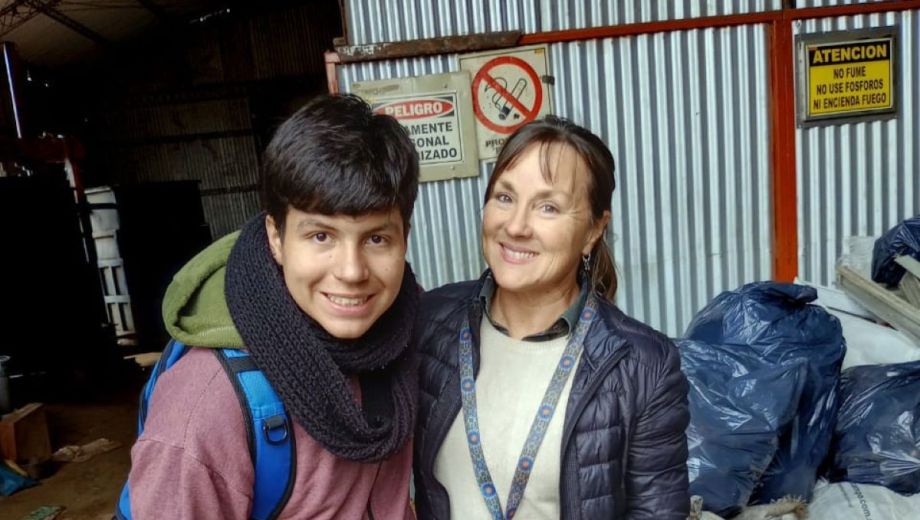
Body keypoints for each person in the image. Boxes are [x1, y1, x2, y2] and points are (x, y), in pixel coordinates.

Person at [119, 94, 420, 519]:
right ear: (276, 238)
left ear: (404, 237)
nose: (352, 271)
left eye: (376, 239)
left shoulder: (402, 335)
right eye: (321, 236)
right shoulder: (206, 406)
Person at [412, 116, 690, 519]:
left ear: (594, 230)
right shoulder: (431, 323)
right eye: (505, 197)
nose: (516, 225)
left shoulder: (643, 367)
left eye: (548, 207)